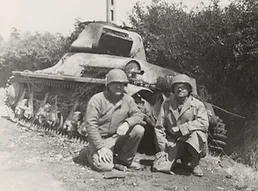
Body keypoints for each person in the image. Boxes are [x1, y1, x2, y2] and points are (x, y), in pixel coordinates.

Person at [79, 68, 145, 172]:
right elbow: (91, 125)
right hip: (101, 140)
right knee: (105, 167)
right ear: (108, 85)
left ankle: (123, 161)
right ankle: (89, 152)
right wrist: (100, 147)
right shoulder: (97, 99)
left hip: (116, 138)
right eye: (115, 83)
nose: (119, 86)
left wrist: (127, 123)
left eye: (122, 84)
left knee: (138, 129)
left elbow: (139, 115)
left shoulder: (128, 99)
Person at [153, 74, 209, 177]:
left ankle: (194, 163)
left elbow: (204, 124)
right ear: (173, 89)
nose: (180, 89)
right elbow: (159, 127)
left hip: (189, 141)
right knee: (159, 167)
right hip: (172, 142)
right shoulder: (167, 104)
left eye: (183, 86)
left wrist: (181, 128)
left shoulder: (197, 104)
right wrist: (162, 149)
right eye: (177, 86)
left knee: (198, 134)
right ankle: (175, 159)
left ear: (189, 89)